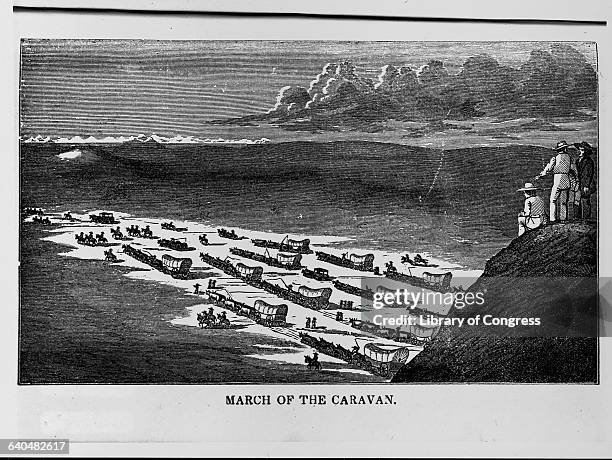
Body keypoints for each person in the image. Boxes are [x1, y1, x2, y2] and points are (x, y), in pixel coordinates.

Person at [535, 140, 572, 222]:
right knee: (563, 202)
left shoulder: (555, 158)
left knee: (553, 200)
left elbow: (549, 168)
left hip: (558, 179)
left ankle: (553, 219)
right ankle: (563, 218)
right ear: (564, 149)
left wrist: (541, 175)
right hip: (566, 179)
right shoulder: (569, 158)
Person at [575, 141, 596, 219]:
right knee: (578, 200)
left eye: (583, 150)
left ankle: (587, 217)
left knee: (586, 200)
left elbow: (589, 174)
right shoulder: (578, 160)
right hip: (579, 183)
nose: (581, 151)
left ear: (586, 151)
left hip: (586, 183)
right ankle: (578, 217)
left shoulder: (589, 161)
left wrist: (586, 185)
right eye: (580, 149)